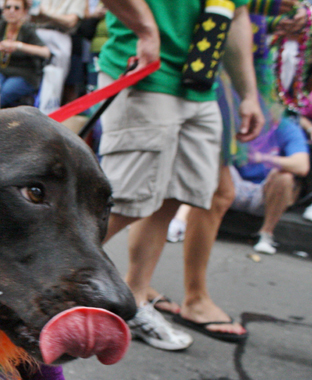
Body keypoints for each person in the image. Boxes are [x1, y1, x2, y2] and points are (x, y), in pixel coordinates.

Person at [98, 1, 263, 351]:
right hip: (147, 69)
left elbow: (236, 16)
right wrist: (144, 29)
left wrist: (248, 94)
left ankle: (135, 300)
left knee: (172, 195)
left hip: (200, 84)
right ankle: (22, 286)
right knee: (124, 202)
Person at [230, 117, 310, 254]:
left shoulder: (286, 127)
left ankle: (266, 234)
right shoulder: (235, 119)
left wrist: (264, 159)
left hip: (264, 191)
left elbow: (302, 165)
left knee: (285, 177)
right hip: (231, 184)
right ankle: (187, 221)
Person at [0, 0, 51, 112]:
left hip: (23, 74)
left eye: (16, 8)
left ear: (24, 11)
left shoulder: (27, 29)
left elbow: (46, 52)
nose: (12, 11)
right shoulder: (2, 26)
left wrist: (19, 46)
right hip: (0, 71)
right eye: (8, 7)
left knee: (4, 92)